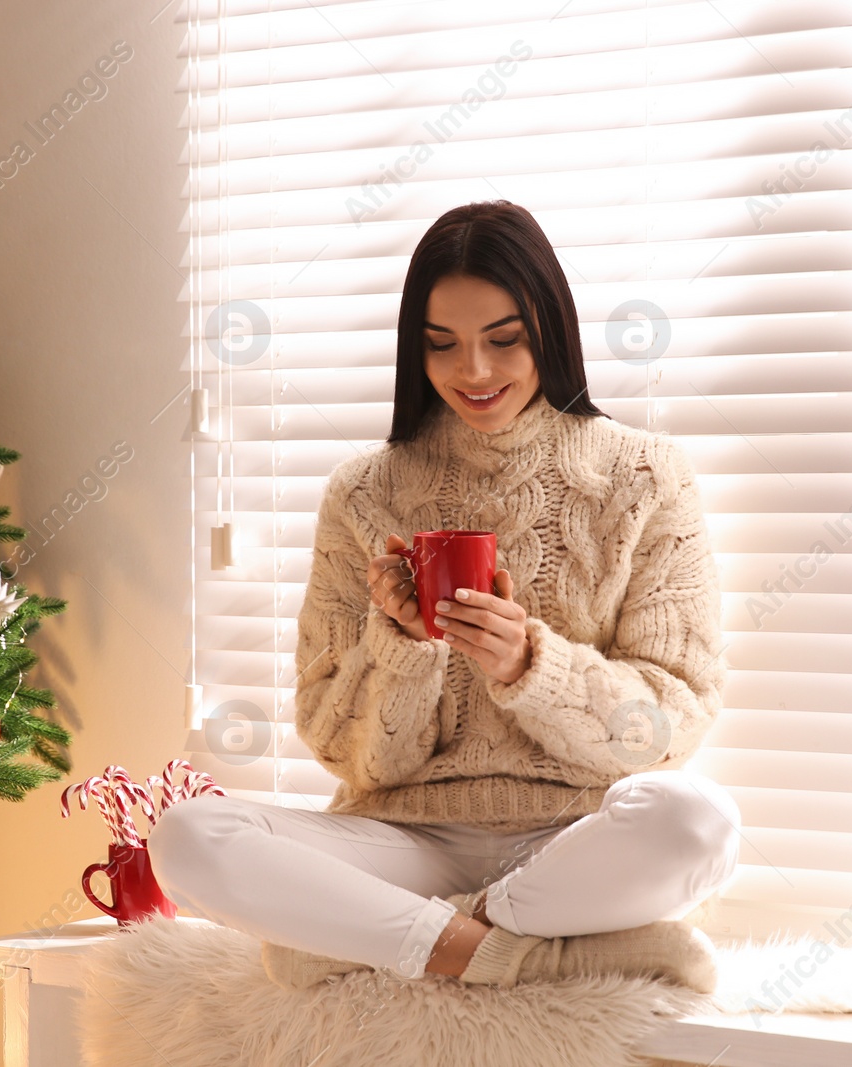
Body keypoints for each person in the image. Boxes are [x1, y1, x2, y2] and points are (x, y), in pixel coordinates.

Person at [148, 200, 739, 993]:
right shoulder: (363, 492)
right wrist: (401, 648)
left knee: (698, 824)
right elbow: (336, 742)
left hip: (572, 841)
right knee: (188, 834)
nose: (475, 372)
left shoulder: (645, 476)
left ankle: (403, 938)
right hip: (402, 838)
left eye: (504, 339)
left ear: (550, 330)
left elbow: (671, 724)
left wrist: (531, 664)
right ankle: (517, 951)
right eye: (442, 345)